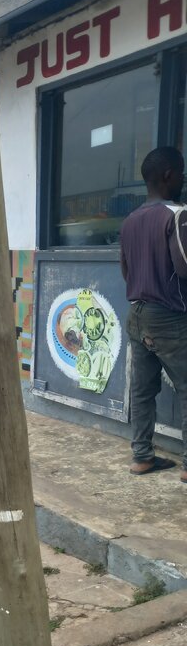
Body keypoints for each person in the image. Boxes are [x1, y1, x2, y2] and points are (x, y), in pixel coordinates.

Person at [120, 146, 187, 483]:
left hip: (137, 314)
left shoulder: (130, 221)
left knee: (143, 391)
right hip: (169, 318)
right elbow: (185, 267)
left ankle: (142, 457)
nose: (184, 178)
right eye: (182, 172)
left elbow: (125, 270)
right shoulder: (177, 215)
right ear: (167, 176)